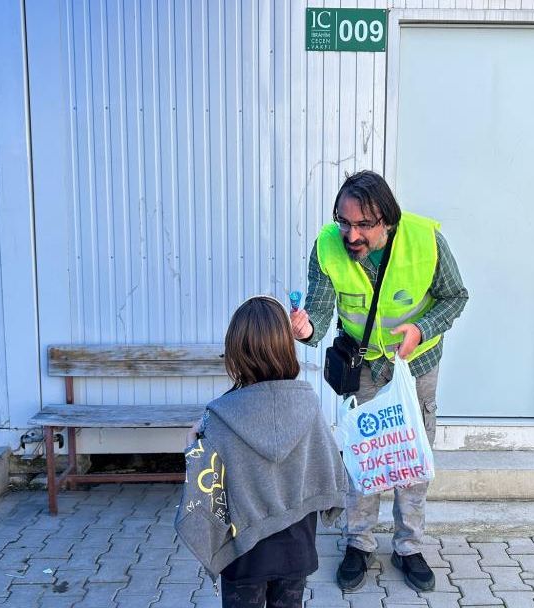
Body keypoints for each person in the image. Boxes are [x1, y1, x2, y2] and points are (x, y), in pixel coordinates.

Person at [289, 170, 468, 592]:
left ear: (387, 219)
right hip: (364, 364)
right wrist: (306, 329)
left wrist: (421, 328)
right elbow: (320, 310)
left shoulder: (426, 241)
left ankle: (409, 546)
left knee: (411, 456)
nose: (351, 235)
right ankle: (359, 543)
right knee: (363, 455)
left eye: (363, 224)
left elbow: (456, 296)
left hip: (416, 364)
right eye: (343, 222)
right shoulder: (327, 246)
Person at [175, 296, 349, 608]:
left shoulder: (219, 417)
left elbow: (203, 489)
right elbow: (330, 468)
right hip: (296, 549)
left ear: (235, 353)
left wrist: (192, 442)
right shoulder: (309, 405)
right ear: (286, 348)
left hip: (243, 553)